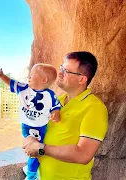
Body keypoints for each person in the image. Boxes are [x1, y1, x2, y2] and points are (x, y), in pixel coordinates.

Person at [23, 51, 108, 180]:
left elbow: (83, 155)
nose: (60, 73)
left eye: (66, 71)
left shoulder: (95, 108)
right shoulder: (57, 101)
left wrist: (40, 149)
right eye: (61, 67)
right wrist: (30, 139)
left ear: (82, 79)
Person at [0, 63, 61, 180]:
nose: (29, 77)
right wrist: (2, 76)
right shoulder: (24, 89)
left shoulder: (50, 95)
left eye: (32, 75)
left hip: (40, 128)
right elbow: (12, 82)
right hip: (26, 127)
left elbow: (56, 106)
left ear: (44, 80)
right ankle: (32, 171)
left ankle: (32, 171)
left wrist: (56, 113)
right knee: (33, 150)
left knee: (36, 152)